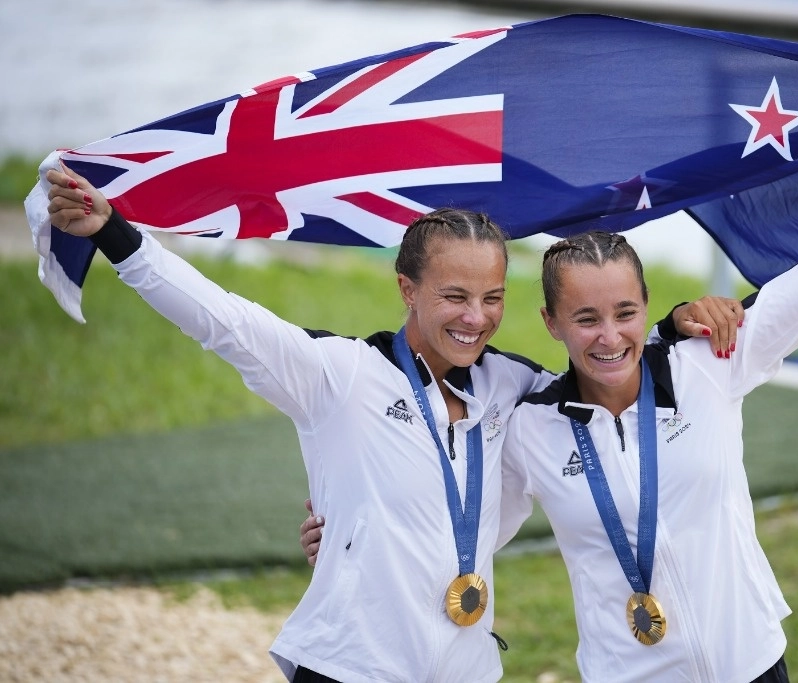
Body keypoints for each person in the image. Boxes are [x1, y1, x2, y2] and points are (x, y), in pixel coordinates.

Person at [299, 81, 798, 681]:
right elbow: (465, 522)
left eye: (625, 313)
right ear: (552, 322)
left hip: (752, 664)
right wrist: (359, 530)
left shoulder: (711, 360)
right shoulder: (532, 424)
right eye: (585, 317)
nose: (609, 335)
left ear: (648, 309)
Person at [44, 167, 741, 683]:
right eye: (455, 296)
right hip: (351, 667)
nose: (476, 317)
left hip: (467, 668)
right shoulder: (337, 375)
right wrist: (113, 232)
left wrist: (668, 328)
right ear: (407, 289)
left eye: (493, 297)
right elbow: (223, 320)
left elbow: (603, 366)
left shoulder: (513, 385)